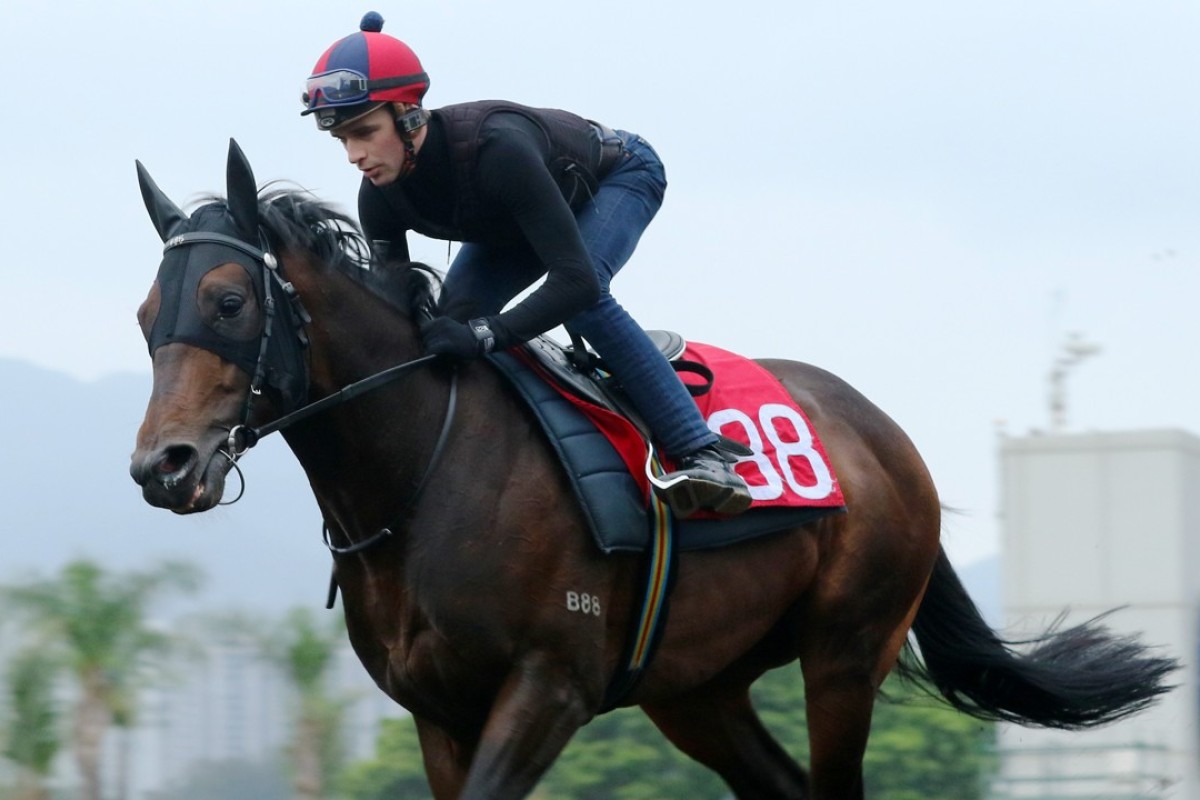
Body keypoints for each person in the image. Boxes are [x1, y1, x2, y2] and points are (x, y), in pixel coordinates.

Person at [301, 12, 751, 519]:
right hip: (514, 219)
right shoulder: (378, 198)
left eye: (364, 132)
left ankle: (702, 451)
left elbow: (574, 282)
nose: (354, 156)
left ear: (408, 116)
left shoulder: (498, 151)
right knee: (448, 326)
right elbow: (400, 317)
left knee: (586, 304)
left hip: (617, 175)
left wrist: (490, 335)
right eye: (342, 140)